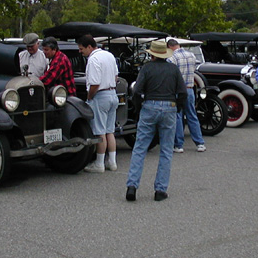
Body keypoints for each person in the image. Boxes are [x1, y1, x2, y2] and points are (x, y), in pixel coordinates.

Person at [126, 40, 187, 202]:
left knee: (140, 148)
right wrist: (177, 108)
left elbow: (137, 91)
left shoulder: (146, 69)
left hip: (149, 106)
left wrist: (139, 109)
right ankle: (160, 190)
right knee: (166, 150)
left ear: (152, 54)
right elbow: (182, 92)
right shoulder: (173, 70)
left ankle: (132, 186)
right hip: (169, 106)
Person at [77, 35, 119, 173]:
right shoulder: (109, 55)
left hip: (100, 96)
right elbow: (116, 77)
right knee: (110, 131)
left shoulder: (93, 59)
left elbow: (95, 83)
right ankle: (112, 162)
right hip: (113, 94)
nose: (80, 51)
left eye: (81, 48)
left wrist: (89, 98)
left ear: (89, 47)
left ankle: (99, 163)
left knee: (100, 132)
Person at [166, 39, 206, 153]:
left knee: (178, 116)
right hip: (189, 88)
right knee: (192, 115)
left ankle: (179, 145)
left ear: (169, 47)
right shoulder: (191, 55)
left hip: (178, 90)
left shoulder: (172, 58)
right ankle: (200, 143)